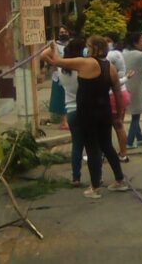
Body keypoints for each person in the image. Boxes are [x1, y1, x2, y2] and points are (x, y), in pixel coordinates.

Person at [44, 36, 128, 199]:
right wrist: (118, 114)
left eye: (88, 46)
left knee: (92, 149)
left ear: (93, 48)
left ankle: (95, 187)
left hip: (88, 113)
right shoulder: (109, 67)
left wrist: (52, 47)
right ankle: (120, 180)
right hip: (104, 112)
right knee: (107, 146)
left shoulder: (85, 63)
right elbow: (117, 92)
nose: (86, 49)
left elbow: (56, 62)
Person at [43, 37, 86, 187]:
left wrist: (53, 48)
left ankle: (76, 178)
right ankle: (96, 179)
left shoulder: (62, 70)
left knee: (77, 146)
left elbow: (45, 55)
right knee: (93, 146)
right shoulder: (83, 68)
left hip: (71, 113)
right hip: (86, 111)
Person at [103, 33, 131, 163]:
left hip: (112, 96)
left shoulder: (108, 57)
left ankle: (104, 154)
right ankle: (123, 153)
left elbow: (113, 81)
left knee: (106, 128)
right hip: (123, 94)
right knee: (120, 126)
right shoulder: (119, 54)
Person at [47, 26, 71, 130]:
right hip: (59, 76)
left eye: (65, 31)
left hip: (70, 75)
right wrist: (53, 63)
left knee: (70, 98)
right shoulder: (55, 46)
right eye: (61, 32)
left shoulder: (71, 44)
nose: (63, 33)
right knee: (61, 99)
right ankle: (64, 122)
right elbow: (43, 55)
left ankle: (70, 121)